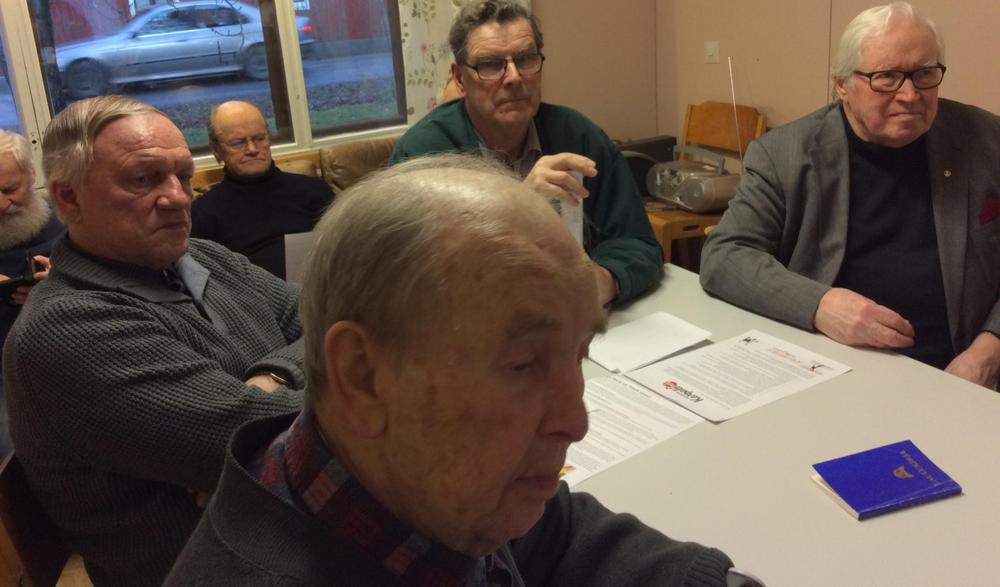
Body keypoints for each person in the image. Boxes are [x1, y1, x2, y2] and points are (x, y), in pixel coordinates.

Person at [166, 155, 760, 586]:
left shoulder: (437, 486)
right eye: (524, 364)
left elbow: (555, 532)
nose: (577, 422)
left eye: (577, 354)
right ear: (364, 376)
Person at [3, 96, 307, 587]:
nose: (179, 198)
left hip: (282, 532)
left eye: (183, 176)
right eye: (143, 179)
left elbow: (330, 317)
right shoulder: (68, 328)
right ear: (68, 198)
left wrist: (274, 376)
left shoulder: (203, 257)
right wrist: (264, 431)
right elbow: (259, 438)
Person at [700, 2, 1000, 388]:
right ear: (842, 85)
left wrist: (988, 351)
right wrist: (820, 305)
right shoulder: (785, 154)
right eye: (886, 77)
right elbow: (725, 255)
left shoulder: (987, 141)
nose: (910, 95)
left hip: (960, 372)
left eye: (925, 74)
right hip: (832, 368)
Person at [389, 0, 661, 307]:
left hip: (579, 322)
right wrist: (520, 206)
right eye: (490, 65)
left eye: (525, 59)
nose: (514, 77)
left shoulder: (579, 136)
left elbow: (638, 242)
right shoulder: (423, 157)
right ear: (460, 78)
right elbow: (407, 282)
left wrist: (603, 281)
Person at [192, 100, 333, 278]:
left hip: (322, 285)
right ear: (216, 149)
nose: (252, 149)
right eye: (238, 143)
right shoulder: (203, 213)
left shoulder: (315, 191)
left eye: (259, 139)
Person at [0, 130, 64, 345]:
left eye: (10, 190)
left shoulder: (72, 225)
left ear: (32, 175)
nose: (2, 205)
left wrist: (64, 288)